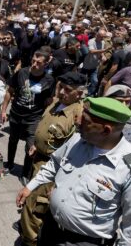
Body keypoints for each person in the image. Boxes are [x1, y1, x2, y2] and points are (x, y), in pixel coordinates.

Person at [16, 97, 131, 246]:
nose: (77, 121)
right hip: (50, 228)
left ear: (105, 130)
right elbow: (54, 164)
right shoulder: (77, 140)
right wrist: (31, 186)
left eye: (86, 120)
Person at [19, 72, 86, 246]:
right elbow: (46, 129)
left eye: (67, 89)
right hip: (38, 159)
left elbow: (74, 149)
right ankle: (29, 231)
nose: (62, 92)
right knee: (32, 203)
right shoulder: (57, 104)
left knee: (34, 205)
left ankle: (31, 240)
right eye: (60, 87)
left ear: (78, 94)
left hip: (51, 165)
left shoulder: (78, 115)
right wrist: (36, 144)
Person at [1, 50, 56, 182]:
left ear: (46, 63)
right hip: (16, 114)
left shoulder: (49, 80)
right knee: (12, 140)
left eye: (39, 62)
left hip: (33, 118)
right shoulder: (21, 73)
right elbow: (10, 91)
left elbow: (49, 101)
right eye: (33, 61)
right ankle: (10, 164)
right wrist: (3, 111)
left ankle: (25, 173)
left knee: (30, 146)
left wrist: (47, 119)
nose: (34, 64)